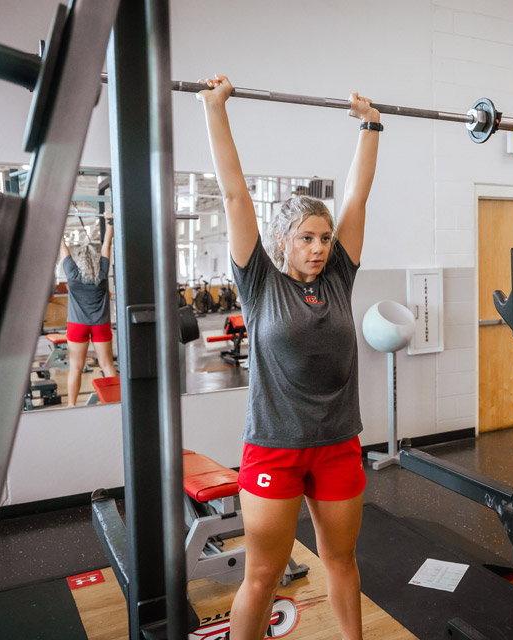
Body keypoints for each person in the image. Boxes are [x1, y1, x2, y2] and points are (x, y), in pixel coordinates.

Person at [196, 74, 379, 640]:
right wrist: (214, 108)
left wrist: (370, 126)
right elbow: (234, 194)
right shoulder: (258, 282)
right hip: (275, 446)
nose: (320, 247)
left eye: (324, 238)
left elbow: (357, 195)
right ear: (283, 241)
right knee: (262, 575)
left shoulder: (340, 278)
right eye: (306, 238)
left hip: (338, 445)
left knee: (342, 562)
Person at [58, 222, 117, 406]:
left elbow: (62, 246)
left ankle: (71, 406)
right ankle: (116, 403)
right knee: (107, 364)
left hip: (77, 325)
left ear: (78, 261)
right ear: (97, 259)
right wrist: (110, 223)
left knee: (75, 367)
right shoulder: (102, 274)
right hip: (100, 324)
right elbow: (107, 244)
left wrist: (57, 222)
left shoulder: (73, 275)